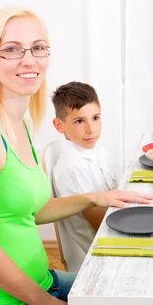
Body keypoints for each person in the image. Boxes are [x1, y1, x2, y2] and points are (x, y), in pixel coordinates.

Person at [0, 7, 153, 305]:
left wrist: (95, 197)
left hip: (44, 284)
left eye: (38, 47)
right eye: (12, 49)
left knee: (137, 294)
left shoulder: (20, 125)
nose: (29, 59)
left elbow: (34, 210)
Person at [50, 81, 117, 270]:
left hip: (112, 227)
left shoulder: (96, 151)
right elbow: (99, 225)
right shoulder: (74, 167)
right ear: (59, 125)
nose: (91, 128)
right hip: (103, 249)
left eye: (96, 118)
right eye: (80, 121)